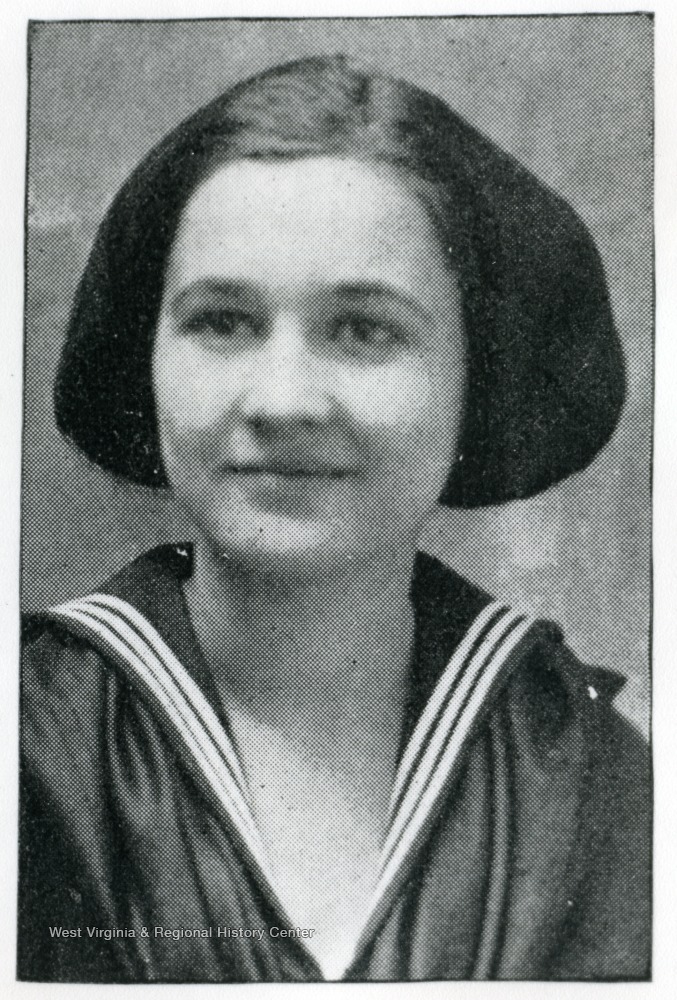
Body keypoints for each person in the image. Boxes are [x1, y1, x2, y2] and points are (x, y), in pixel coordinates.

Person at [19, 55, 650, 982]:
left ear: (471, 376)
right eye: (222, 321)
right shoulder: (35, 746)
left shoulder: (581, 774)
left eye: (363, 330)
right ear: (148, 356)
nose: (282, 399)